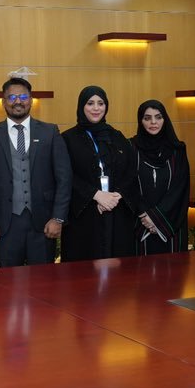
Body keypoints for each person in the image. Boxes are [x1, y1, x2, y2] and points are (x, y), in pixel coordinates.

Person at [0, 77, 71, 267]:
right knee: (7, 285)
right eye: (12, 97)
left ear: (31, 100)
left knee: (43, 285)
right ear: (3, 102)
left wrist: (58, 217)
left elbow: (64, 178)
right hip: (5, 225)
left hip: (44, 223)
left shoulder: (50, 132)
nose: (18, 101)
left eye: (23, 96)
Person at [61, 86, 139, 261]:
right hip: (84, 215)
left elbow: (131, 170)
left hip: (116, 211)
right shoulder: (68, 139)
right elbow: (66, 175)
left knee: (119, 274)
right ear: (81, 106)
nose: (96, 108)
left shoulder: (117, 137)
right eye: (90, 103)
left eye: (101, 103)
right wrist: (95, 195)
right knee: (84, 274)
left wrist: (114, 197)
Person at [131, 100, 189, 254]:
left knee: (172, 274)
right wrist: (145, 215)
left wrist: (157, 218)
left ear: (165, 119)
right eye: (147, 118)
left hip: (172, 222)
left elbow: (180, 189)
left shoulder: (178, 150)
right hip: (140, 224)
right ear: (140, 121)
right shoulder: (131, 147)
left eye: (158, 117)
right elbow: (129, 186)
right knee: (137, 275)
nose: (153, 122)